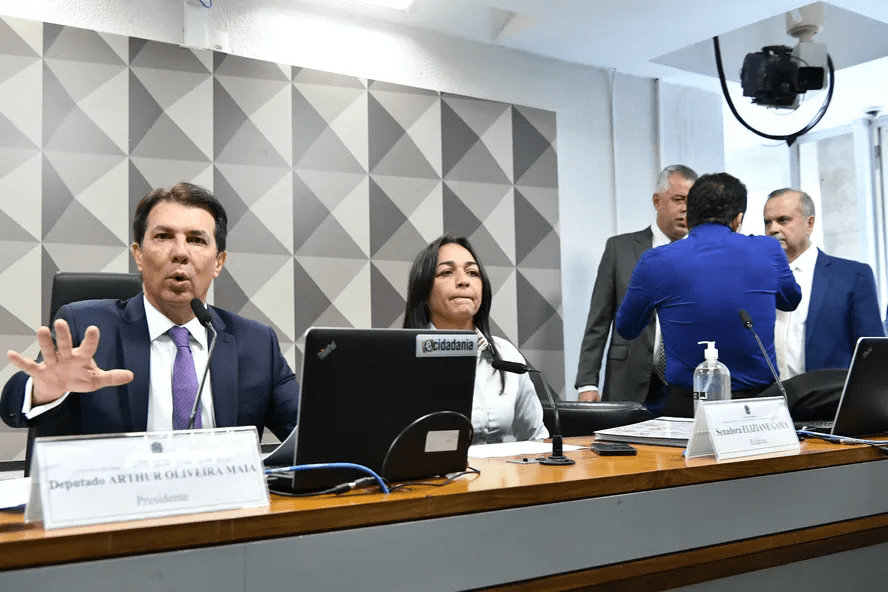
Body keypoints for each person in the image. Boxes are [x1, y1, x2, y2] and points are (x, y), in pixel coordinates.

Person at [1, 182, 299, 441]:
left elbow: (306, 429)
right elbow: (13, 407)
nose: (180, 252)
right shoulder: (85, 326)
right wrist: (45, 390)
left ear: (218, 262)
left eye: (196, 240)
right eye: (164, 236)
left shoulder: (256, 342)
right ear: (139, 255)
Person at [615, 173, 801, 417]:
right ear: (738, 219)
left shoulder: (655, 261)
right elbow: (790, 300)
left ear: (689, 216)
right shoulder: (768, 250)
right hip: (760, 407)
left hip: (687, 407)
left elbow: (627, 327)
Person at [404, 235, 548, 444]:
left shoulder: (506, 354)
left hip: (499, 466)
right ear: (424, 290)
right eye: (447, 272)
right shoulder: (403, 357)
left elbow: (537, 438)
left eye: (472, 272)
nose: (464, 281)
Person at [575, 164, 698, 408]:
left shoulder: (700, 256)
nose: (686, 209)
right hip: (627, 380)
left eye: (691, 202)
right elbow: (599, 320)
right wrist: (587, 383)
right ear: (657, 201)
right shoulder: (619, 249)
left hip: (684, 386)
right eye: (678, 200)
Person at [764, 188, 884, 379]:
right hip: (770, 394)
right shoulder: (758, 278)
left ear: (809, 223)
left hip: (830, 394)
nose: (773, 229)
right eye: (767, 222)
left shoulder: (852, 276)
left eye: (783, 220)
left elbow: (872, 353)